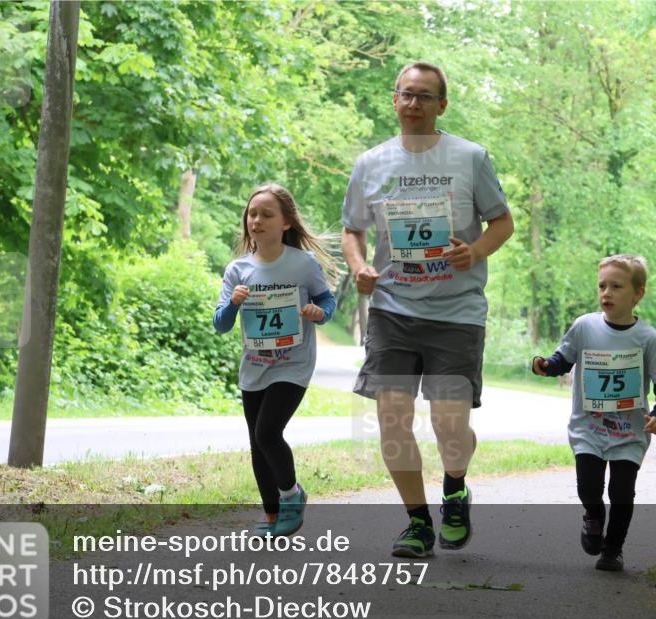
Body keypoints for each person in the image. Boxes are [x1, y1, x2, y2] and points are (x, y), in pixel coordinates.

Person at [341, 62, 514, 558]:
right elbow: (353, 229)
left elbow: (502, 222)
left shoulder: (470, 157)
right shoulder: (370, 163)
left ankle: (455, 488)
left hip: (456, 311)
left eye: (424, 96)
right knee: (393, 422)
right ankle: (418, 523)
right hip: (393, 309)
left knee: (448, 426)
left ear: (442, 105)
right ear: (394, 100)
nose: (413, 103)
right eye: (406, 94)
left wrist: (475, 251)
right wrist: (359, 267)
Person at [532, 254, 656, 571]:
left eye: (616, 286)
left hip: (629, 431)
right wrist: (545, 365)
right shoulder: (585, 327)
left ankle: (613, 550)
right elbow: (563, 358)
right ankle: (594, 515)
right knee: (589, 486)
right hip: (589, 427)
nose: (606, 293)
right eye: (602, 286)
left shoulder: (649, 339)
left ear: (638, 293)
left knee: (622, 491)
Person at [214, 183, 337, 538]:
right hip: (254, 366)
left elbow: (327, 302)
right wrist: (233, 303)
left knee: (268, 431)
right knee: (257, 441)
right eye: (252, 214)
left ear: (286, 223)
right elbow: (220, 324)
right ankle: (271, 516)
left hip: (293, 363)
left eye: (266, 214)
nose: (256, 220)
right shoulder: (238, 270)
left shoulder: (302, 264)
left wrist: (318, 312)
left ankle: (292, 496)